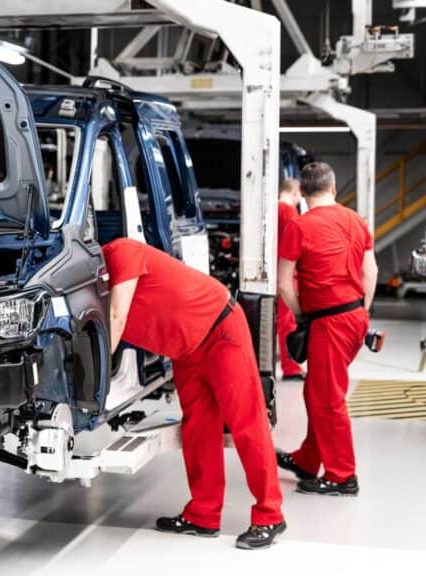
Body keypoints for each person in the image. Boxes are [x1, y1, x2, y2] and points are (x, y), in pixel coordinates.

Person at [103, 237, 286, 550]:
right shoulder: (94, 290)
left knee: (247, 423)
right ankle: (203, 515)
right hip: (185, 350)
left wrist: (95, 376)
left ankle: (270, 514)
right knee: (198, 429)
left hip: (220, 330)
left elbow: (117, 318)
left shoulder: (122, 251)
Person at [275, 162, 377, 496]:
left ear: (303, 192)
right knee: (318, 391)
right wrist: (362, 311)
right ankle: (307, 461)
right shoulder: (356, 220)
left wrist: (302, 315)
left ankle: (342, 476)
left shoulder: (299, 226)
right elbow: (371, 272)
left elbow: (283, 283)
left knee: (328, 398)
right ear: (333, 188)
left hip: (328, 321)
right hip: (354, 317)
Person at [277, 178, 304, 381]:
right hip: (287, 273)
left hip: (272, 273)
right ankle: (291, 368)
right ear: (294, 192)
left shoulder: (271, 209)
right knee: (288, 323)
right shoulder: (288, 212)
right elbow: (297, 244)